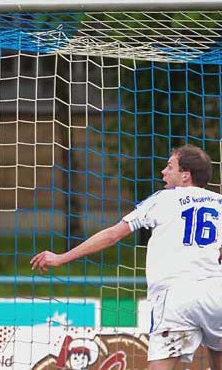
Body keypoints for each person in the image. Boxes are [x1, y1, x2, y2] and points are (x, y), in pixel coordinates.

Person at [31, 145, 222, 370]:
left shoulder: (164, 199)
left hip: (176, 296)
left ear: (185, 175)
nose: (163, 171)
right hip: (216, 294)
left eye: (170, 166)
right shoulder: (219, 202)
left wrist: (61, 257)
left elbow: (112, 235)